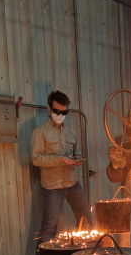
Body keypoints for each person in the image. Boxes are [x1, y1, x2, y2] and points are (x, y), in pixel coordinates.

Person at [31, 90, 92, 243]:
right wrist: (61, 160)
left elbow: (77, 153)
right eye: (57, 111)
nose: (60, 115)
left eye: (64, 112)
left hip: (72, 182)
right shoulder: (40, 132)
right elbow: (36, 159)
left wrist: (78, 160)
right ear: (49, 109)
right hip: (53, 186)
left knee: (87, 222)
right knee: (49, 228)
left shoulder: (71, 132)